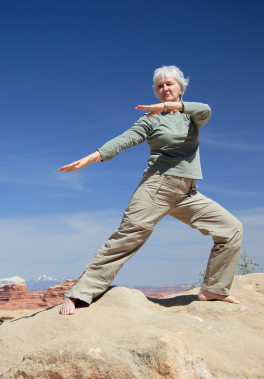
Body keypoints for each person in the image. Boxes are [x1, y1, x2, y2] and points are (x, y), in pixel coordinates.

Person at [59, 65, 243, 315]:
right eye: (159, 86)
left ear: (180, 88)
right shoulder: (151, 119)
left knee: (231, 229)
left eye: (169, 84)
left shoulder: (191, 116)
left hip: (188, 193)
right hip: (157, 187)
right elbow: (125, 139)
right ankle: (79, 293)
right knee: (128, 237)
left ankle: (214, 289)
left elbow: (206, 109)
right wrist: (93, 157)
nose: (164, 88)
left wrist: (169, 107)